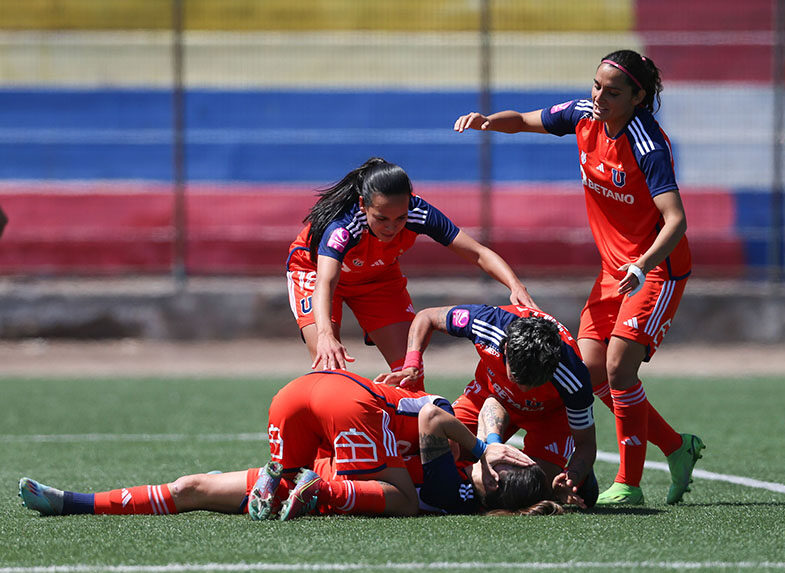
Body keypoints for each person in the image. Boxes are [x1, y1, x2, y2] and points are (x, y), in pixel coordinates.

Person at [453, 49, 704, 505]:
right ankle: (675, 446)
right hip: (613, 270)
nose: (600, 97)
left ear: (638, 97)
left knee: (618, 370)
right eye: (597, 86)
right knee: (590, 373)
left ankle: (628, 486)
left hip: (655, 270)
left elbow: (676, 221)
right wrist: (489, 121)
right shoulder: (583, 115)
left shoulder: (647, 144)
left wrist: (642, 264)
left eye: (613, 92)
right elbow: (526, 121)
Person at [19, 370, 561, 518]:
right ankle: (74, 501)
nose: (496, 465)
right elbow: (493, 405)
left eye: (499, 473)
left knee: (193, 487)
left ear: (494, 497)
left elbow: (433, 422)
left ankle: (72, 503)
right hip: (339, 436)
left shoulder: (456, 493)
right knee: (195, 487)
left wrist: (481, 446)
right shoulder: (481, 475)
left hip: (348, 465)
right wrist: (491, 441)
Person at [287, 157, 536, 375]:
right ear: (363, 205)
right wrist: (325, 335)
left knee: (409, 372)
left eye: (401, 218)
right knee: (330, 368)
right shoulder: (343, 228)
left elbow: (478, 253)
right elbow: (325, 282)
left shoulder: (420, 213)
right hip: (315, 273)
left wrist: (516, 285)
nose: (391, 227)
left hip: (378, 278)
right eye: (381, 218)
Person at [377, 303, 598, 508]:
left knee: (531, 491)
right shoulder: (486, 323)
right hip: (490, 395)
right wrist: (412, 364)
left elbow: (586, 444)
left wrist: (574, 475)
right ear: (506, 349)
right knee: (437, 450)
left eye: (533, 383)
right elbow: (426, 317)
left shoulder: (574, 378)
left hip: (549, 417)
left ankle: (577, 478)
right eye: (517, 379)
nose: (523, 391)